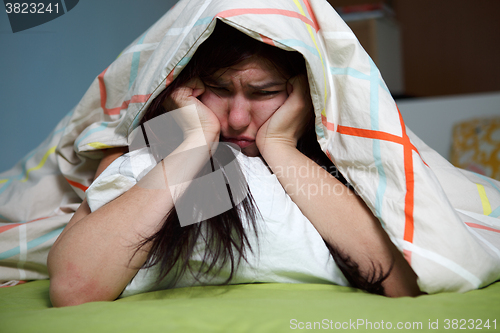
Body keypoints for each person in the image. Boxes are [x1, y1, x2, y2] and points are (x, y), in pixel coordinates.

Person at [47, 21, 421, 307]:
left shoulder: (338, 171)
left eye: (266, 93)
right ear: (184, 87)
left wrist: (280, 146)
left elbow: (396, 283)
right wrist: (195, 142)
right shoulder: (140, 159)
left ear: (307, 95)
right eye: (220, 89)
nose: (238, 118)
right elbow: (75, 288)